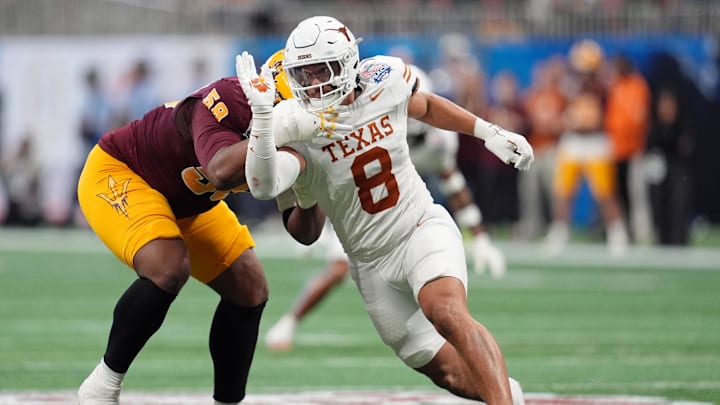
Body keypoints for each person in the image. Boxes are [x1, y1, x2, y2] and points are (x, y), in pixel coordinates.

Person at [238, 16, 533, 404]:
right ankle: (507, 395)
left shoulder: (383, 79)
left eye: (320, 71)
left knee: (444, 311)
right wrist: (262, 122)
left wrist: (487, 131)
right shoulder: (290, 122)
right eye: (302, 74)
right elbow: (263, 188)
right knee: (443, 371)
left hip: (417, 227)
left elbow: (424, 105)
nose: (312, 84)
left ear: (346, 63)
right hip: (368, 262)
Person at [263, 59, 507, 352]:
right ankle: (290, 321)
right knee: (339, 267)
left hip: (406, 215)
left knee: (434, 289)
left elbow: (452, 183)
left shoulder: (438, 140)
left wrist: (478, 236)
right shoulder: (367, 112)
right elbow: (335, 173)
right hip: (359, 215)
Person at [76, 71, 270, 404]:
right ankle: (102, 387)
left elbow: (305, 230)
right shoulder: (231, 99)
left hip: (189, 201)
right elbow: (221, 171)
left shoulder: (312, 129)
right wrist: (275, 132)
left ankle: (228, 402)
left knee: (249, 288)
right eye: (309, 76)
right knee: (167, 268)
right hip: (125, 171)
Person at [544, 38, 629, 256]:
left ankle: (616, 233)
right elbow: (563, 110)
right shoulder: (569, 83)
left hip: (596, 141)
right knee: (564, 192)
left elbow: (596, 114)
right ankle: (560, 232)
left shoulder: (603, 84)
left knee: (605, 193)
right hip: (573, 141)